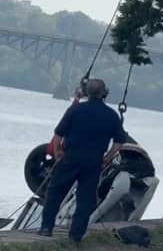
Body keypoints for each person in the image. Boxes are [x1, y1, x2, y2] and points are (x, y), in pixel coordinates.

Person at [38, 78, 126, 243]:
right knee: (85, 199)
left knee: (55, 192)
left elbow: (58, 134)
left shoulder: (75, 110)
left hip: (71, 157)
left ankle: (46, 228)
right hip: (93, 162)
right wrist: (107, 158)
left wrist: (57, 151)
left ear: (87, 92)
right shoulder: (111, 115)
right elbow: (119, 141)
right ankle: (75, 235)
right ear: (104, 93)